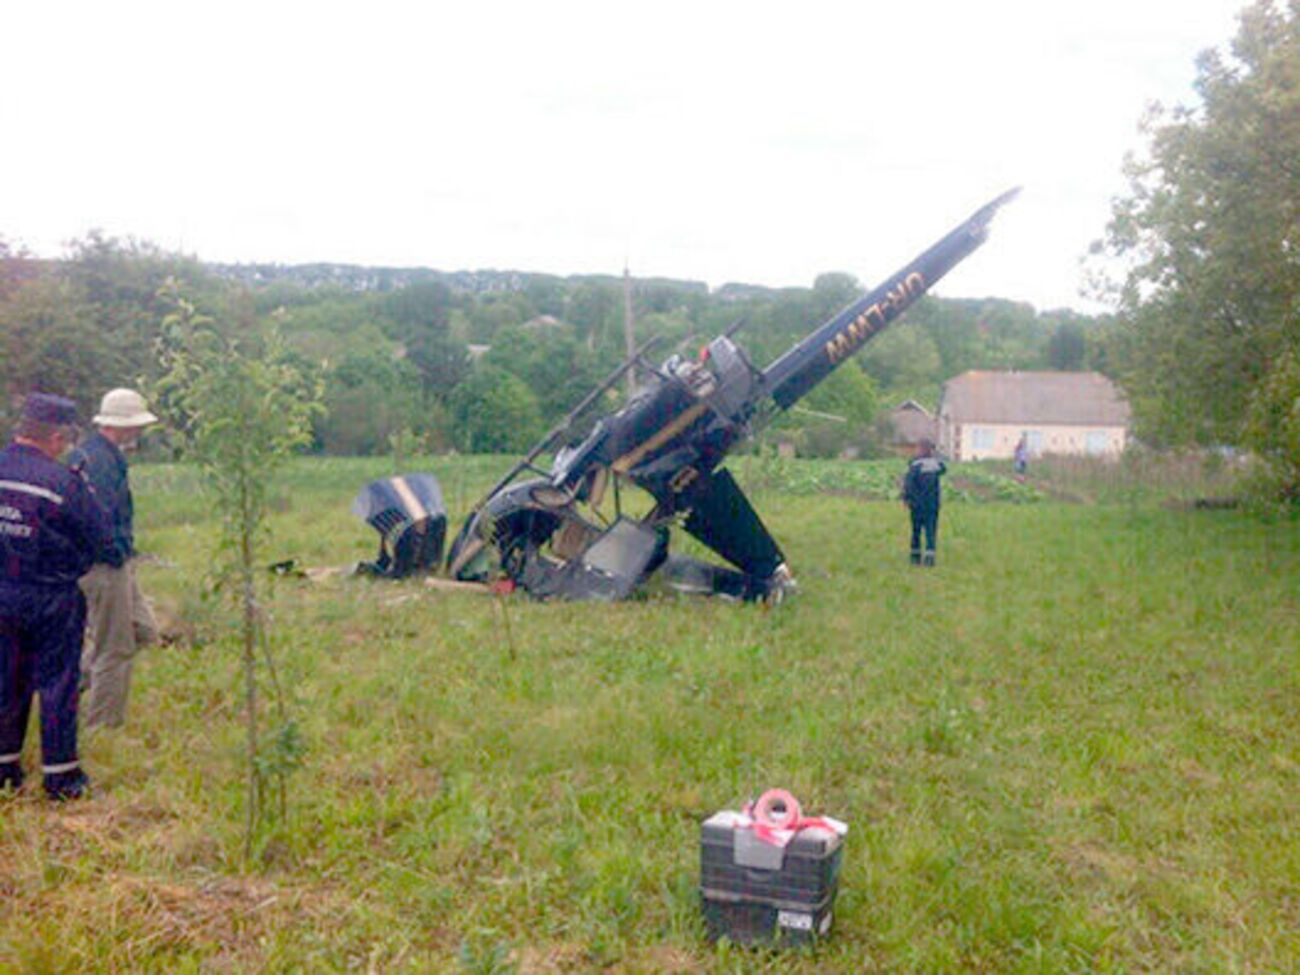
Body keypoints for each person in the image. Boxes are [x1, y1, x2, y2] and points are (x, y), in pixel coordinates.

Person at [1, 393, 109, 799]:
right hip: (50, 596)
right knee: (58, 683)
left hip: (2, 592)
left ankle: (5, 769)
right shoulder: (63, 483)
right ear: (58, 436)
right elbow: (99, 537)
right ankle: (62, 777)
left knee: (5, 680)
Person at [69, 388, 160, 729]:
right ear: (122, 426)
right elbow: (99, 520)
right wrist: (115, 554)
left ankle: (74, 680)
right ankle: (103, 728)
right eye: (136, 425)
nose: (139, 432)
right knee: (115, 647)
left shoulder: (91, 455)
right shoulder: (101, 462)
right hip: (104, 566)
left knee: (144, 630)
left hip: (112, 562)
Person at [901, 438, 947, 567]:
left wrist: (906, 498)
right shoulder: (936, 465)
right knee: (930, 531)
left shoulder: (915, 465)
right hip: (932, 504)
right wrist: (937, 456)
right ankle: (930, 559)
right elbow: (944, 468)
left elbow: (908, 484)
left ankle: (915, 557)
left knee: (916, 531)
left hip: (917, 505)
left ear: (920, 449)